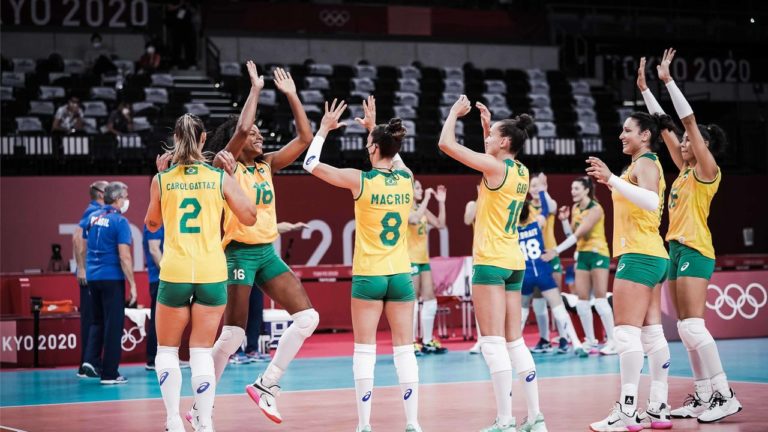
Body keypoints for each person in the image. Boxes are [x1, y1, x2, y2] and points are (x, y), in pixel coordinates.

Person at [191, 62, 318, 426]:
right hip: (238, 253)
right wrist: (257, 89)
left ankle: (267, 383)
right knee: (232, 335)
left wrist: (292, 96)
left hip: (265, 252)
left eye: (262, 133)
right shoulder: (224, 165)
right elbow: (243, 127)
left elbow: (305, 139)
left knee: (308, 318)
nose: (260, 137)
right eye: (255, 135)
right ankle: (200, 408)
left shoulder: (266, 165)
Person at [303, 95, 423, 432]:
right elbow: (394, 158)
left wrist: (323, 130)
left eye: (369, 143)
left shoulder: (360, 180)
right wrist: (374, 129)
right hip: (400, 275)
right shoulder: (406, 179)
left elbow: (310, 164)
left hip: (369, 275)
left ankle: (365, 424)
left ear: (373, 148)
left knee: (365, 351)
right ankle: (413, 422)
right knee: (405, 351)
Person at [640, 49, 741, 423]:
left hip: (697, 249)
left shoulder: (707, 171)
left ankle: (724, 394)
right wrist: (645, 90)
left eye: (690, 141)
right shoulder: (684, 171)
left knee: (694, 326)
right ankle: (702, 395)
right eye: (682, 141)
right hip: (676, 248)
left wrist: (668, 82)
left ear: (703, 146)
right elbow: (665, 126)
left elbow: (687, 121)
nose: (682, 142)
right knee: (684, 328)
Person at [439, 96, 546, 432]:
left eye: (491, 136)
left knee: (492, 343)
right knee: (515, 341)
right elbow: (494, 157)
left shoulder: (495, 167)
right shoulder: (522, 170)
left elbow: (445, 144)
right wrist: (487, 125)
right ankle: (535, 416)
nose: (487, 139)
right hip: (514, 261)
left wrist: (454, 114)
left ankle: (505, 419)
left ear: (504, 142)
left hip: (490, 262)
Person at [144, 113, 257, 432]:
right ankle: (205, 422)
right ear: (204, 139)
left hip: (175, 271)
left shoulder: (162, 179)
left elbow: (152, 224)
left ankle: (173, 420)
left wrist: (160, 181)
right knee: (201, 352)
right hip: (211, 273)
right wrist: (232, 178)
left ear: (175, 140)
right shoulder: (219, 177)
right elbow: (250, 217)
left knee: (167, 350)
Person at [586, 109, 675, 431]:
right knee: (651, 333)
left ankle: (626, 411)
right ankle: (659, 407)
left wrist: (611, 179)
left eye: (628, 130)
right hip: (652, 255)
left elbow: (650, 201)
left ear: (645, 135)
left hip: (639, 255)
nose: (621, 135)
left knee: (626, 334)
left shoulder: (645, 163)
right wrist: (612, 181)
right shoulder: (640, 165)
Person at [542, 176, 616, 356]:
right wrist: (564, 220)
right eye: (572, 189)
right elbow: (572, 235)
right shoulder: (575, 208)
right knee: (582, 302)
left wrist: (555, 251)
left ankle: (614, 341)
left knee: (600, 300)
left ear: (586, 190)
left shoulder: (596, 209)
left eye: (576, 189)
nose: (572, 192)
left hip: (598, 254)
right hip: (582, 256)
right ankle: (590, 341)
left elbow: (579, 234)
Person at [229, 221, 309, 365]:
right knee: (238, 309)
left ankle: (252, 349)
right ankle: (235, 351)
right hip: (239, 262)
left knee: (256, 309)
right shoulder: (235, 220)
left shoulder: (259, 219)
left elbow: (269, 228)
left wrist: (291, 227)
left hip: (257, 264)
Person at [81, 181, 137, 385]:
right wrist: (133, 284)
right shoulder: (119, 221)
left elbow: (83, 246)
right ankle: (110, 374)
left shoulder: (92, 217)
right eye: (125, 197)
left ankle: (91, 361)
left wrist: (85, 269)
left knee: (97, 321)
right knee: (113, 326)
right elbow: (125, 256)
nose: (127, 201)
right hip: (112, 278)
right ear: (116, 199)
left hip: (93, 278)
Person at [518, 200, 586, 358]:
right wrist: (542, 191)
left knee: (522, 310)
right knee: (558, 308)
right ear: (529, 212)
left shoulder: (512, 232)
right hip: (542, 272)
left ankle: (513, 348)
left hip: (526, 274)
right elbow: (546, 209)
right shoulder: (537, 225)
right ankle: (576, 343)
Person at [408, 180, 447, 355]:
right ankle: (410, 342)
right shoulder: (404, 208)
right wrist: (426, 199)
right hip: (410, 259)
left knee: (430, 298)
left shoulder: (421, 208)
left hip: (423, 259)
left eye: (421, 187)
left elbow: (440, 224)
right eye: (417, 188)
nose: (421, 190)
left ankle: (427, 340)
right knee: (413, 300)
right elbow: (414, 219)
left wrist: (441, 202)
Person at [74, 180, 108, 378]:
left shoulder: (99, 212)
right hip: (89, 275)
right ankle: (87, 364)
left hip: (94, 274)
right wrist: (81, 268)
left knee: (96, 319)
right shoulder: (93, 211)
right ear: (101, 194)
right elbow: (77, 238)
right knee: (91, 320)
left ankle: (91, 362)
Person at [526, 173, 559, 353]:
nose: (536, 189)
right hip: (535, 259)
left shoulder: (549, 204)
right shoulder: (526, 208)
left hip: (551, 255)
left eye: (539, 185)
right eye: (533, 186)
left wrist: (544, 190)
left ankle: (564, 338)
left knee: (556, 300)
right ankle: (545, 339)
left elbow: (552, 207)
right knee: (538, 301)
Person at [143, 224, 164, 370]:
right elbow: (154, 249)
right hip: (160, 279)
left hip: (165, 278)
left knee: (170, 320)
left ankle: (168, 358)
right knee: (158, 319)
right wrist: (168, 274)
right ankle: (153, 359)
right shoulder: (155, 222)